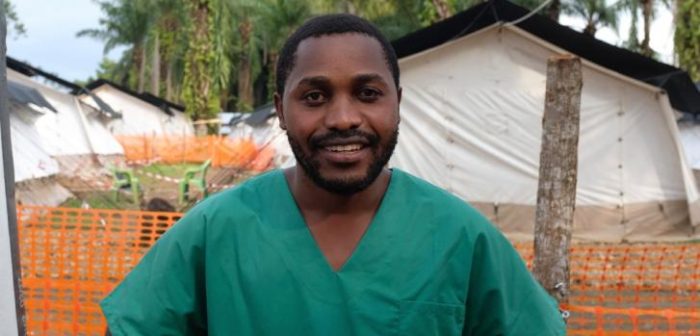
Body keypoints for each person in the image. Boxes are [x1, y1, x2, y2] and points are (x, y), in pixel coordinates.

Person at [101, 14, 566, 335]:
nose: (344, 117)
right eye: (315, 96)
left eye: (367, 93)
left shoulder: (460, 237)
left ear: (397, 102)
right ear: (281, 110)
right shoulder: (216, 231)